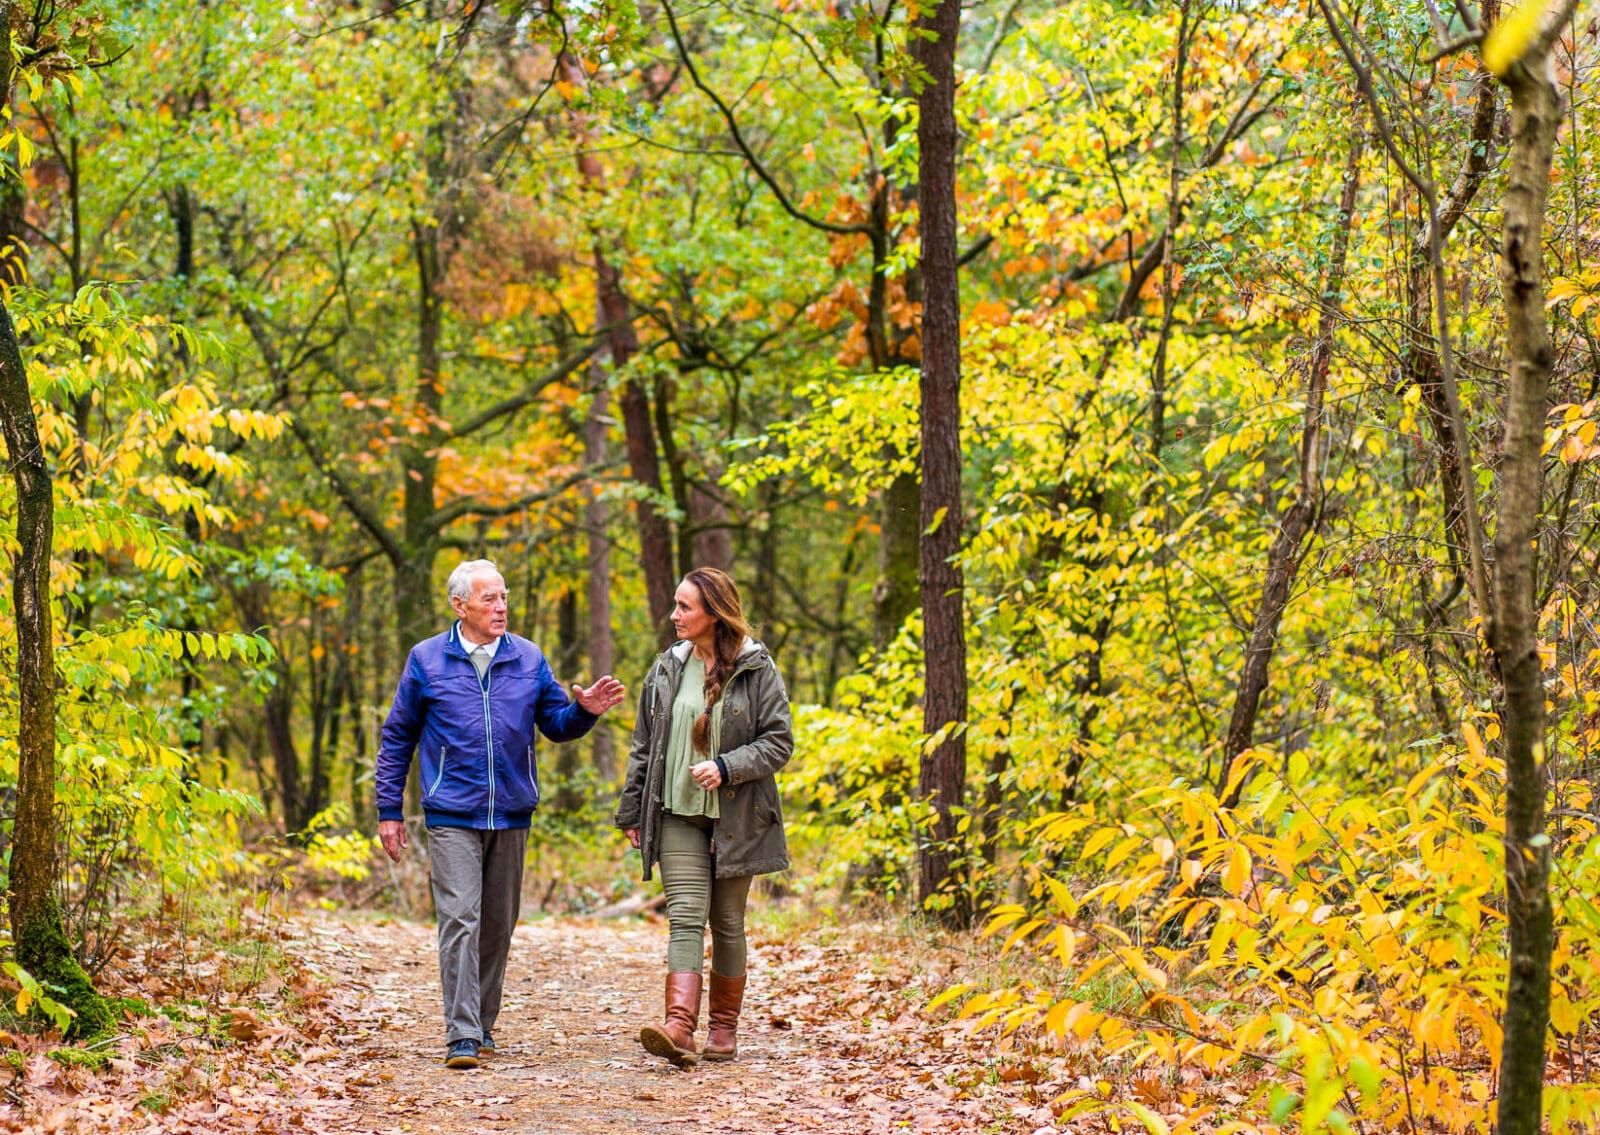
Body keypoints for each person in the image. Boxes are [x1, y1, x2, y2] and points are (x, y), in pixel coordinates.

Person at [376, 559, 625, 1070]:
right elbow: (398, 736)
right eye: (489, 598)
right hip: (451, 812)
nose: (501, 606)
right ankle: (462, 1034)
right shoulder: (426, 660)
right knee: (460, 919)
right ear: (459, 605)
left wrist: (585, 712)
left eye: (504, 597)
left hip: (511, 812)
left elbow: (556, 723)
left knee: (497, 925)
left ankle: (482, 1024)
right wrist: (389, 810)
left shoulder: (528, 658)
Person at [615, 567, 794, 1068]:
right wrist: (632, 808)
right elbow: (644, 744)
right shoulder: (667, 667)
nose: (674, 616)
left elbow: (779, 742)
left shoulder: (757, 667)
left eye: (684, 607)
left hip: (738, 816)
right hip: (676, 812)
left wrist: (726, 766)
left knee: (728, 923)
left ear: (713, 613)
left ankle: (723, 1030)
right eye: (674, 605)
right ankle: (679, 1027)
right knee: (686, 918)